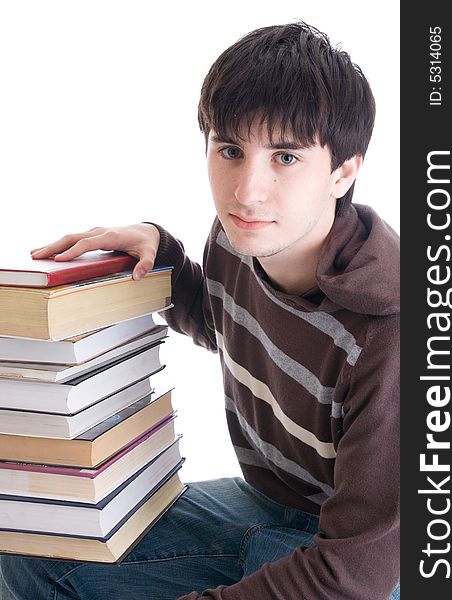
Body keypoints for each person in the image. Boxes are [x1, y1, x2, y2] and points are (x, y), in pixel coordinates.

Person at [0, 22, 400, 599]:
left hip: (366, 558)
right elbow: (228, 326)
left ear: (343, 171)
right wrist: (164, 259)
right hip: (264, 506)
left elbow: (352, 576)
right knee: (37, 556)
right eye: (230, 150)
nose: (246, 191)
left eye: (286, 157)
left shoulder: (396, 335)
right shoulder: (241, 239)